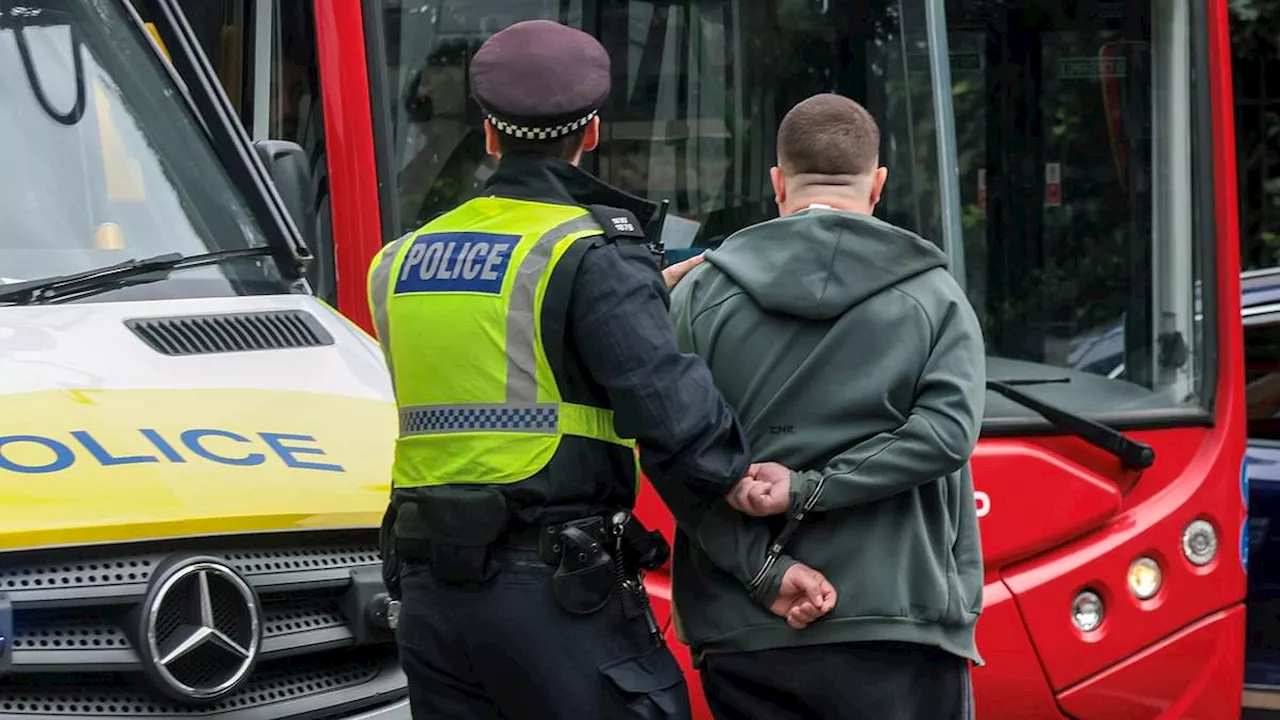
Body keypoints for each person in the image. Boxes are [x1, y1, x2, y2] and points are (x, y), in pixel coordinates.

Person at [365, 20, 834, 720]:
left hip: (429, 598)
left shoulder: (399, 260)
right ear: (590, 134)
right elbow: (666, 409)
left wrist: (630, 295)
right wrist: (741, 482)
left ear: (489, 135)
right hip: (552, 591)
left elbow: (502, 351)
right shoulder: (592, 252)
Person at [668, 93, 987, 720]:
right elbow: (948, 434)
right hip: (902, 621)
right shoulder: (934, 295)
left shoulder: (700, 294)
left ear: (778, 183)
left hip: (745, 628)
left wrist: (762, 571)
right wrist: (809, 488)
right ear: (879, 185)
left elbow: (673, 452)